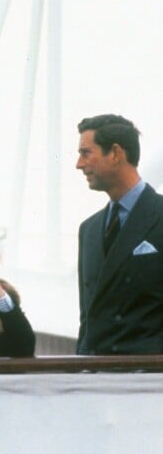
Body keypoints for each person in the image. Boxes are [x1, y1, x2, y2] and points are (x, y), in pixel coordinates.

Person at [76, 113, 163, 355]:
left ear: (115, 153)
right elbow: (87, 320)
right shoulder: (89, 230)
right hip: (96, 380)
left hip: (148, 382)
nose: (79, 164)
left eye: (86, 153)